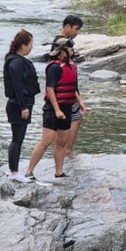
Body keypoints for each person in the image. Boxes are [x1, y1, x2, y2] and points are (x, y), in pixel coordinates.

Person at [25, 38, 86, 180]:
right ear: (61, 51)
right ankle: (29, 171)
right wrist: (57, 110)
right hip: (52, 109)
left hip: (67, 107)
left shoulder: (71, 65)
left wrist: (80, 102)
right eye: (69, 49)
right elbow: (50, 89)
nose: (71, 52)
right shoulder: (54, 67)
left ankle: (59, 171)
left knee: (62, 142)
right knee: (46, 141)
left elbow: (73, 87)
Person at [3, 29, 40, 182]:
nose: (32, 47)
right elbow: (18, 86)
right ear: (24, 45)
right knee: (17, 138)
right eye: (31, 44)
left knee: (17, 138)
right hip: (18, 105)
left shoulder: (15, 59)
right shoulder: (16, 62)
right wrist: (24, 107)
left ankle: (13, 170)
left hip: (19, 104)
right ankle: (14, 172)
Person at [53, 14, 85, 156]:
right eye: (76, 29)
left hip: (66, 90)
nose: (77, 33)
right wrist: (77, 97)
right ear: (67, 26)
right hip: (66, 91)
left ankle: (64, 150)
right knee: (75, 119)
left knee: (68, 120)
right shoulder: (62, 42)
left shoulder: (59, 41)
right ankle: (67, 151)